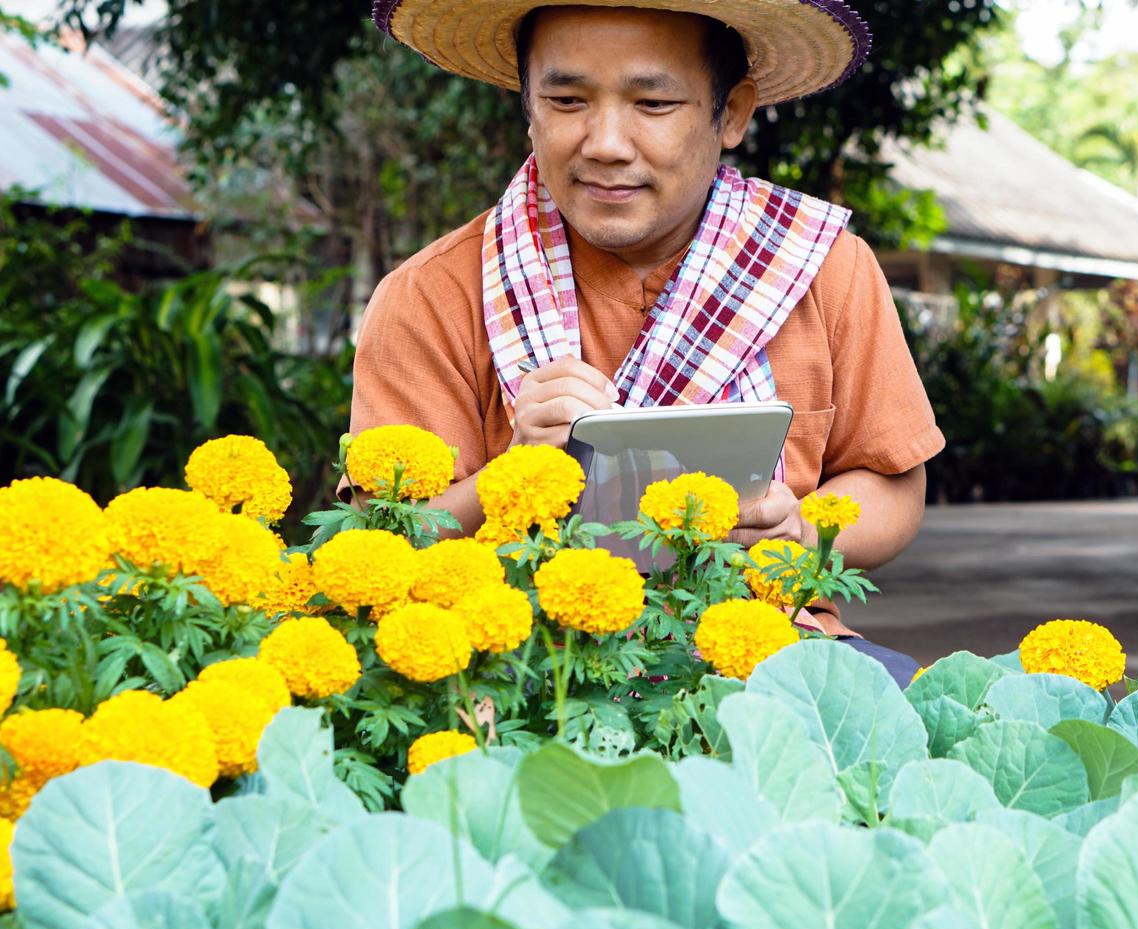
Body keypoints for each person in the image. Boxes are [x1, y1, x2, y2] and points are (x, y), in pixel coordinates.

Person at [357, 0, 944, 682]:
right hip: (516, 667)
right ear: (528, 108)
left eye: (654, 103)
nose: (605, 141)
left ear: (731, 114)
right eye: (567, 98)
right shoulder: (431, 295)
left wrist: (798, 534)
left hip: (772, 644)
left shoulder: (820, 267)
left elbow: (894, 487)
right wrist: (514, 476)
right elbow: (384, 543)